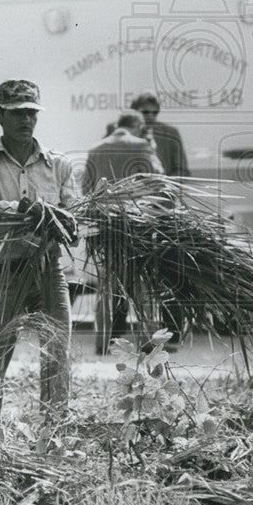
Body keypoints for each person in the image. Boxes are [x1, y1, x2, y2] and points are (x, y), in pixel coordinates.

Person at [0, 79, 78, 428]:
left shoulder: (57, 165)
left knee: (57, 353)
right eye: (17, 114)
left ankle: (53, 435)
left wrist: (64, 221)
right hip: (3, 271)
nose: (25, 121)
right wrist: (23, 212)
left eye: (31, 113)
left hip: (48, 269)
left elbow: (75, 216)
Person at [82, 111, 164, 354]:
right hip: (138, 227)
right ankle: (148, 342)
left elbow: (86, 188)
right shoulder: (142, 146)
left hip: (105, 229)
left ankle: (102, 341)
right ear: (137, 126)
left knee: (106, 287)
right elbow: (159, 182)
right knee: (144, 286)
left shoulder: (96, 149)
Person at [130, 91, 190, 177]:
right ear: (133, 112)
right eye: (145, 112)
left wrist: (165, 183)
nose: (150, 116)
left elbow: (182, 170)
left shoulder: (171, 133)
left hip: (164, 188)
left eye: (155, 113)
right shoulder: (122, 132)